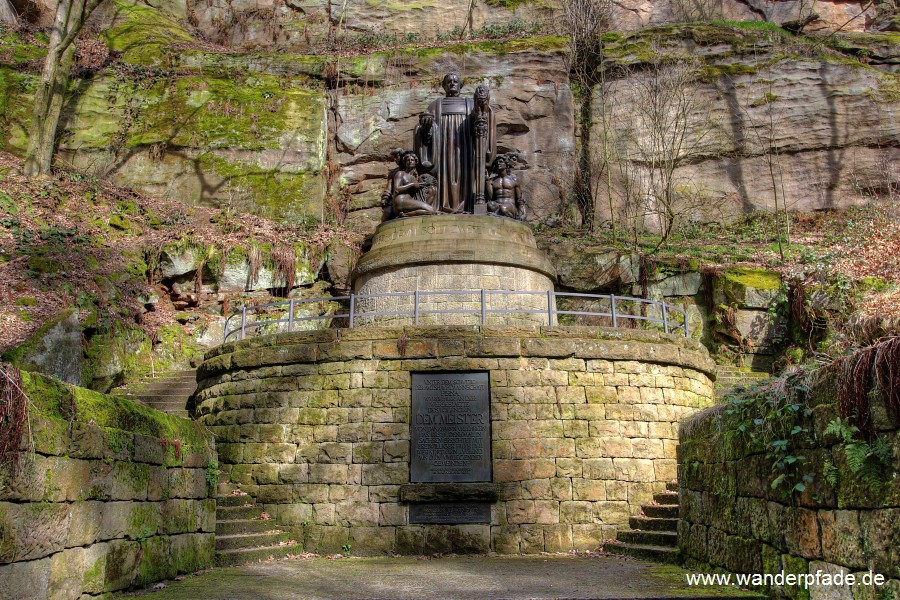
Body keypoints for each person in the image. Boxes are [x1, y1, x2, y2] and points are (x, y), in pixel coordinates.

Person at [426, 72, 495, 213]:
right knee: (444, 176)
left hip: (465, 149)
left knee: (465, 177)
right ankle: (442, 206)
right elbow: (425, 130)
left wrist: (483, 109)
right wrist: (426, 126)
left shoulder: (469, 104)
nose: (452, 83)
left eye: (455, 81)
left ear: (460, 85)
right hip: (443, 149)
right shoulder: (435, 105)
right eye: (449, 81)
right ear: (444, 86)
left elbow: (483, 117)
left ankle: (467, 206)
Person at [390, 150, 437, 218]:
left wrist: (430, 183)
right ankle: (405, 215)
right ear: (405, 162)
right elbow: (396, 189)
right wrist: (412, 184)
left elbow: (418, 190)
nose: (410, 161)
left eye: (412, 160)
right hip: (401, 201)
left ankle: (405, 215)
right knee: (431, 210)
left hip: (409, 201)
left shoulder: (414, 177)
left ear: (415, 162)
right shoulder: (401, 173)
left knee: (431, 210)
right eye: (408, 160)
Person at [485, 154, 526, 221]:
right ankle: (498, 215)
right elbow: (489, 197)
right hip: (497, 204)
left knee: (503, 209)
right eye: (497, 162)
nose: (498, 163)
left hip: (509, 205)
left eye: (501, 162)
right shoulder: (492, 180)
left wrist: (523, 214)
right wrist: (487, 181)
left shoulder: (513, 179)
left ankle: (510, 218)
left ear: (506, 164)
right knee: (490, 205)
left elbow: (520, 200)